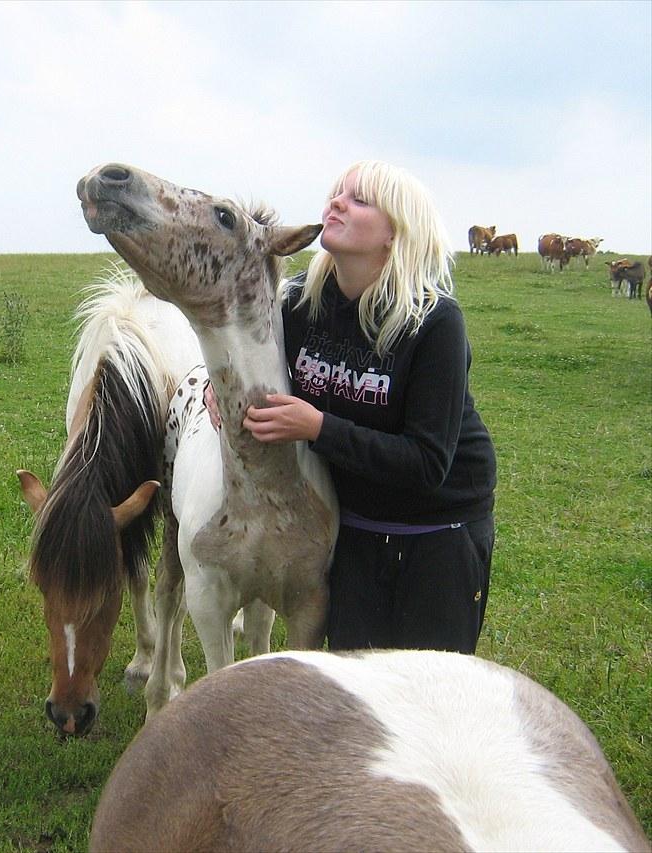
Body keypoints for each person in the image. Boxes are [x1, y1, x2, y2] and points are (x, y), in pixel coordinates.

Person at [208, 160, 496, 654]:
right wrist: (222, 388)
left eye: (359, 199)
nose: (337, 202)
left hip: (439, 532)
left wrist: (318, 427)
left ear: (394, 234)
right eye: (336, 192)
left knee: (425, 690)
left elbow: (427, 463)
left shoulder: (434, 322)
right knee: (355, 685)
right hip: (354, 528)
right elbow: (249, 357)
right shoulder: (298, 305)